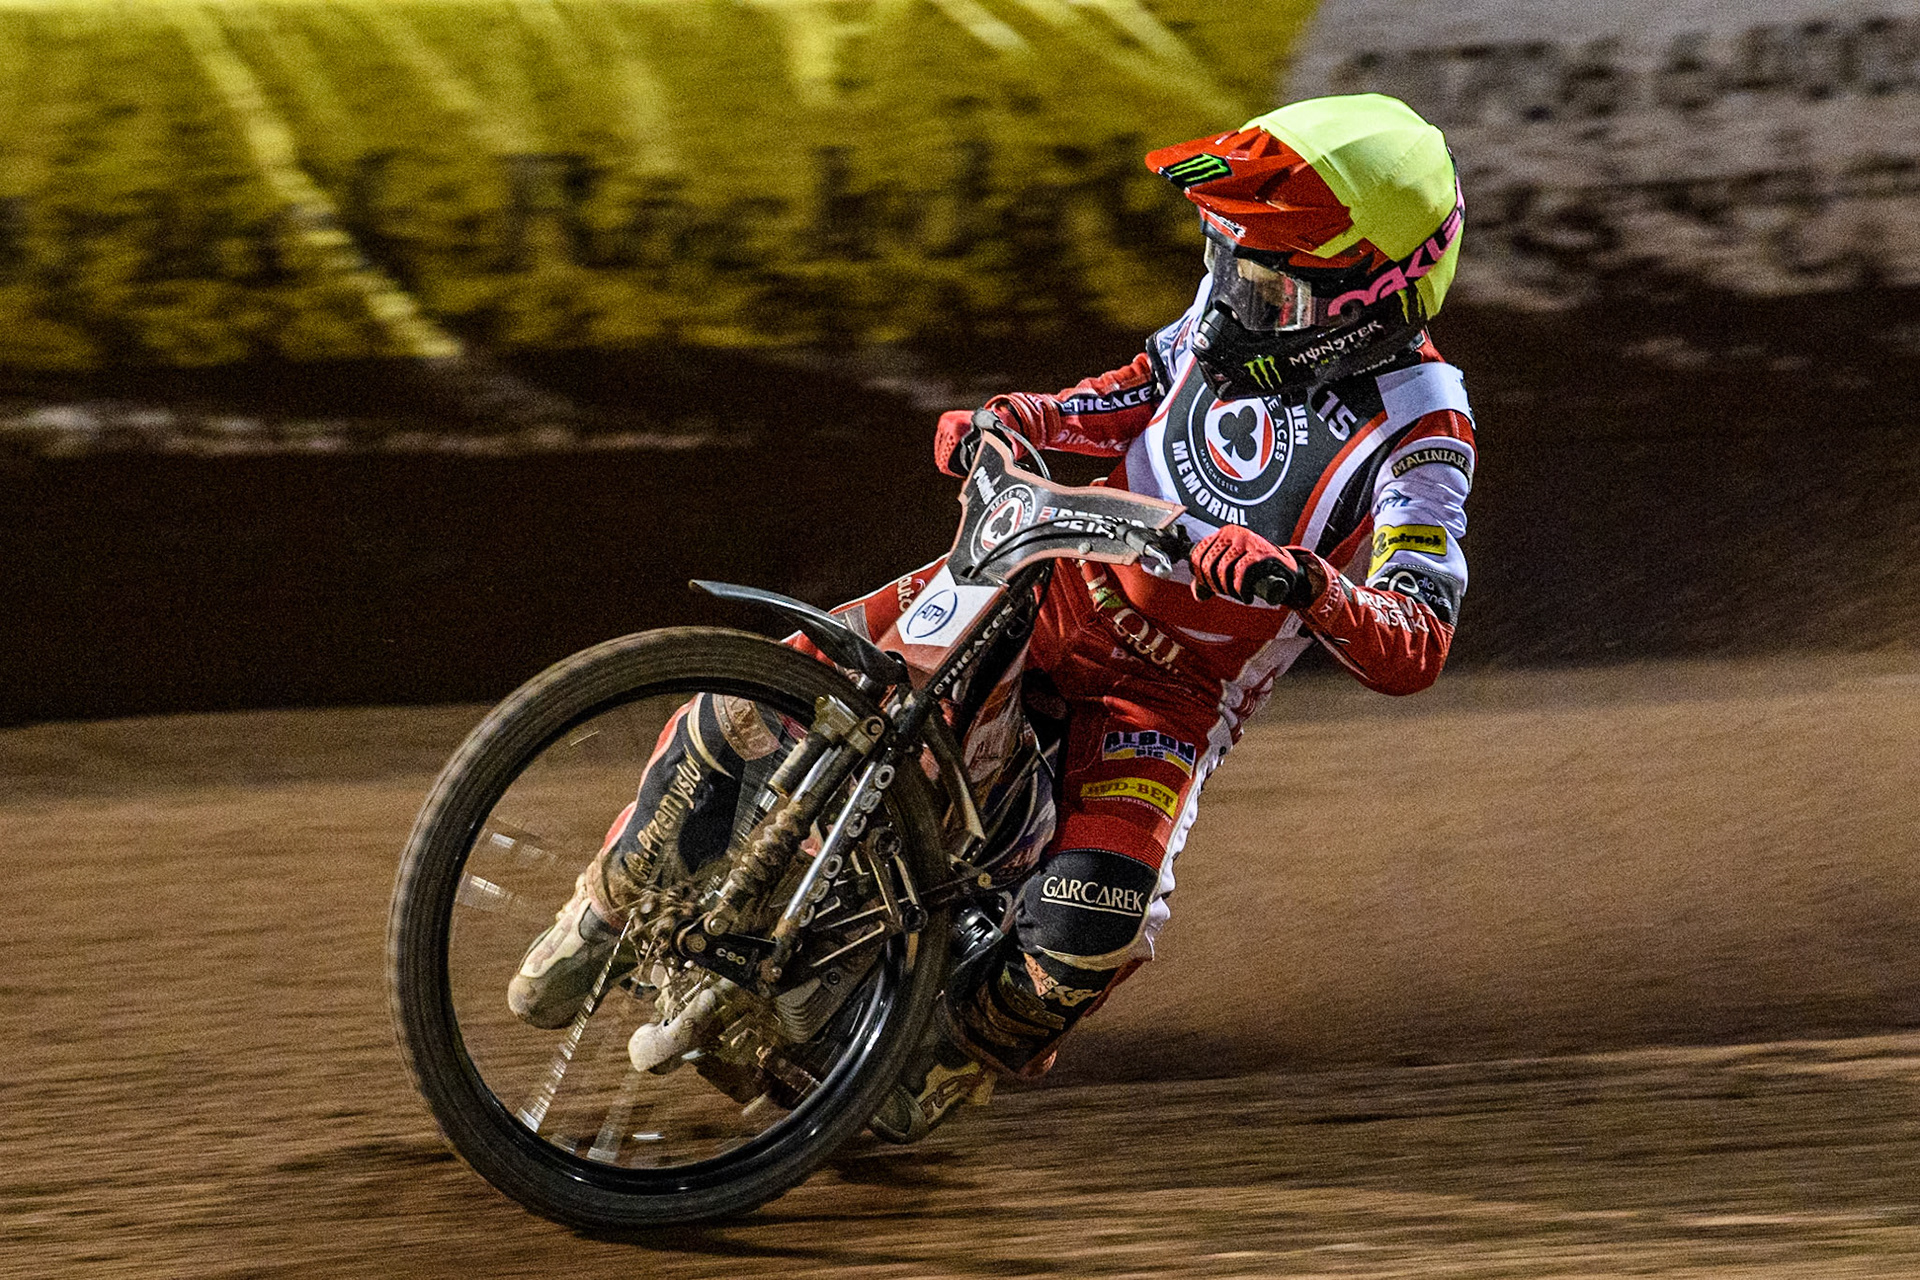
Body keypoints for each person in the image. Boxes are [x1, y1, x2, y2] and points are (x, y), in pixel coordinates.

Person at [508, 93, 1476, 1143]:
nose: (1234, 297)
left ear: (1369, 301)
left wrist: (1307, 584)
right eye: (1226, 262)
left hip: (1164, 699)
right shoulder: (1237, 301)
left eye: (1269, 284)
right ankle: (604, 905)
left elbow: (1416, 638)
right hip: (1049, 574)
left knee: (1089, 932)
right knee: (768, 699)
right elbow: (1138, 386)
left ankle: (934, 1058)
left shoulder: (1426, 427)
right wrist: (1014, 418)